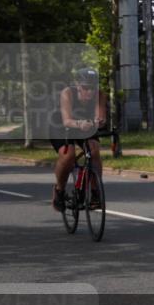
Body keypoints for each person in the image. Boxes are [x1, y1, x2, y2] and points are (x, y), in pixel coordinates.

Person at [51, 68, 107, 211]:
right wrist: (79, 123)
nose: (89, 92)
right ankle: (59, 190)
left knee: (94, 150)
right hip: (62, 126)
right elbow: (67, 120)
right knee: (68, 155)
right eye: (85, 88)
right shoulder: (67, 93)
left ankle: (95, 192)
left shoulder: (100, 95)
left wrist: (98, 121)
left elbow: (101, 118)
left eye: (92, 88)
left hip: (86, 125)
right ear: (77, 85)